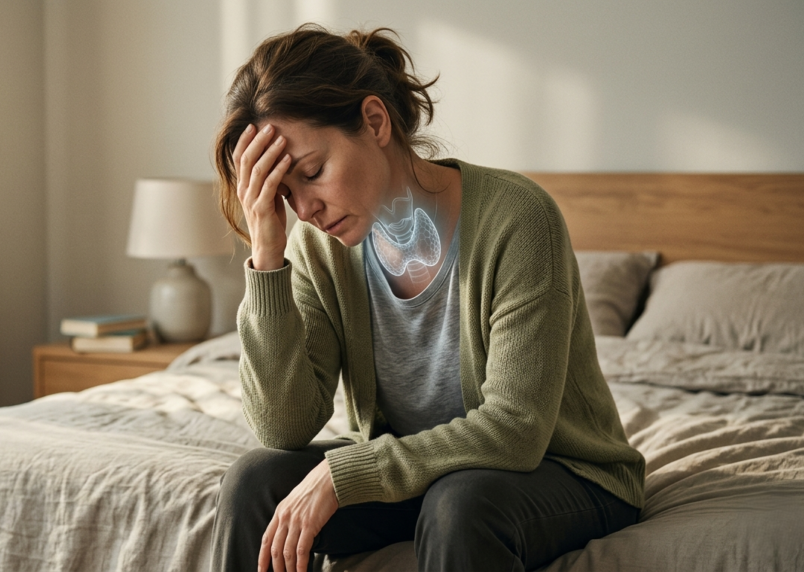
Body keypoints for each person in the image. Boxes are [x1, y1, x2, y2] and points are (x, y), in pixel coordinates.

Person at [209, 24, 645, 572]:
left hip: (565, 473)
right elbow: (283, 427)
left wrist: (348, 473)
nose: (307, 210)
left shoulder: (519, 219)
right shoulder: (318, 249)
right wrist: (268, 258)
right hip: (423, 473)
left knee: (459, 505)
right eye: (284, 194)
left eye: (313, 173)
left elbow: (517, 430)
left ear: (374, 121)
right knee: (255, 480)